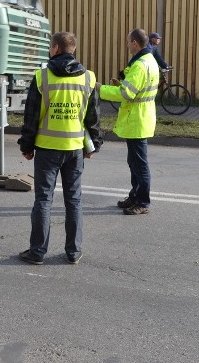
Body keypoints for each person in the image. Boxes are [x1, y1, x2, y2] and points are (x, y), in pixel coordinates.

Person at [18, 31, 102, 265]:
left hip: (46, 149)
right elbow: (93, 118)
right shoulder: (88, 78)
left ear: (55, 48)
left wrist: (27, 145)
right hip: (74, 149)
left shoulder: (42, 76)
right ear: (72, 49)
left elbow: (32, 116)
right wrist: (93, 145)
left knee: (43, 200)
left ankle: (37, 253)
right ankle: (73, 252)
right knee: (73, 200)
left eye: (50, 47)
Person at [99, 28, 159, 215]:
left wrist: (100, 89)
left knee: (139, 164)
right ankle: (135, 196)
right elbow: (133, 88)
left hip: (137, 119)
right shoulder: (149, 60)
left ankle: (142, 202)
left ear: (134, 43)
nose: (126, 45)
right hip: (141, 117)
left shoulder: (140, 65)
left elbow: (126, 94)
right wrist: (121, 84)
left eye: (127, 41)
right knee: (134, 162)